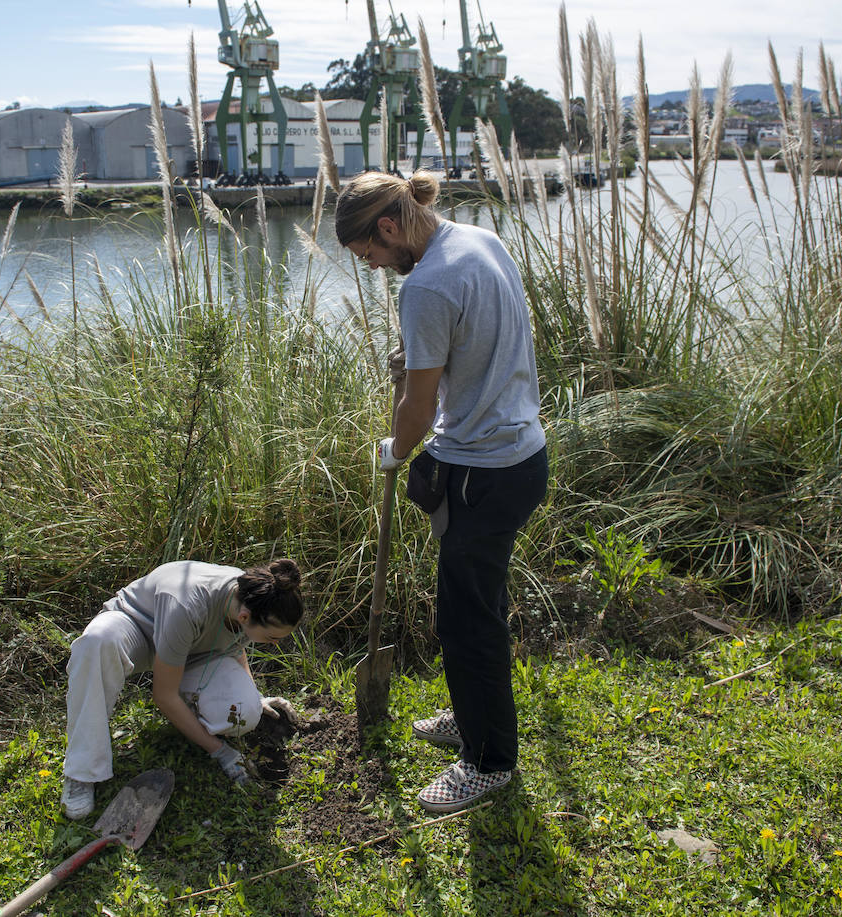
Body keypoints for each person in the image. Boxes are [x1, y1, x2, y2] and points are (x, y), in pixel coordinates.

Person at [335, 171, 548, 814]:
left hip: (481, 471)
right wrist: (417, 366)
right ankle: (472, 711)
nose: (375, 268)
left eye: (370, 256)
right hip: (522, 455)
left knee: (466, 620)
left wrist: (394, 452)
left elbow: (418, 410)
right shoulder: (479, 240)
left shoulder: (425, 285)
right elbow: (481, 342)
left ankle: (487, 760)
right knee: (477, 603)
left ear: (389, 228)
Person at [61, 558, 303, 821]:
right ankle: (81, 772)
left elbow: (235, 645)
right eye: (273, 638)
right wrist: (219, 751)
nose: (276, 645)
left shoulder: (251, 595)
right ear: (245, 616)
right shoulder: (189, 605)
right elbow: (163, 695)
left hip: (192, 651)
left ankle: (190, 714)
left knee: (243, 712)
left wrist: (255, 697)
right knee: (96, 643)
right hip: (138, 629)